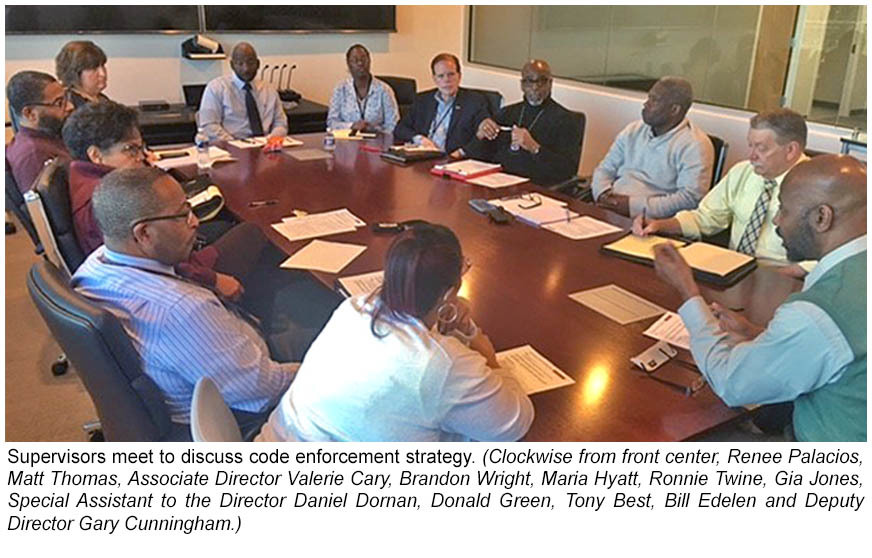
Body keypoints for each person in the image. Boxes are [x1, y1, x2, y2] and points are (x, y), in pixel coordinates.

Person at [652, 155, 866, 442]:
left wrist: (687, 290)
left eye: (784, 209)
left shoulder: (818, 312)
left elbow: (731, 382)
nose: (776, 220)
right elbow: (836, 352)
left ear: (821, 217)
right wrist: (760, 335)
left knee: (669, 430)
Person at [257, 222, 534, 442]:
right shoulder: (443, 365)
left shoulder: (354, 308)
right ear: (448, 292)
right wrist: (490, 359)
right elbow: (513, 424)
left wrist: (446, 313)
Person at [72, 167, 298, 430]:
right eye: (182, 215)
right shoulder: (181, 310)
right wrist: (319, 371)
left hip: (208, 372)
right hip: (235, 414)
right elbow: (263, 390)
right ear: (144, 233)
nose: (195, 222)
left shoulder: (95, 264)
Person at [62, 100, 251, 298]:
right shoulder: (109, 200)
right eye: (130, 149)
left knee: (223, 225)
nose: (140, 157)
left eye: (141, 148)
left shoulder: (82, 178)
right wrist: (214, 279)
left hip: (160, 267)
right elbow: (154, 262)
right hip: (167, 281)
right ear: (96, 155)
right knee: (251, 232)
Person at [634, 108, 811, 272]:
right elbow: (706, 218)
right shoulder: (743, 172)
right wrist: (659, 225)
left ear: (790, 150)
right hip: (734, 269)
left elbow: (826, 257)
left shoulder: (818, 185)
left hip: (783, 276)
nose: (752, 156)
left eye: (761, 148)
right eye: (751, 146)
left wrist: (789, 274)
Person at [592, 76, 714, 218]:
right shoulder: (633, 130)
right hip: (609, 208)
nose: (645, 104)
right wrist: (602, 194)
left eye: (654, 100)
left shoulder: (695, 145)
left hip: (651, 222)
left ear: (674, 110)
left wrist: (632, 206)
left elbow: (689, 199)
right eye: (648, 98)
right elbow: (605, 169)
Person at [468, 59, 582, 186]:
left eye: (542, 80)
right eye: (529, 81)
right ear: (522, 85)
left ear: (550, 83)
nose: (535, 86)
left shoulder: (566, 120)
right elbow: (478, 156)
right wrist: (480, 135)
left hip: (537, 186)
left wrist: (534, 148)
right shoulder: (507, 113)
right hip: (497, 182)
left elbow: (567, 171)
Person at [393, 53, 490, 156]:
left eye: (451, 74)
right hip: (423, 157)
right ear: (434, 79)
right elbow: (400, 128)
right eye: (441, 76)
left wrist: (460, 153)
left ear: (459, 76)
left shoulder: (474, 101)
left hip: (454, 159)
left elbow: (482, 137)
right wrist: (420, 139)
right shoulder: (422, 100)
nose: (446, 80)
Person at [198, 42, 288, 141]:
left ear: (258, 64)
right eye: (240, 64)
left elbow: (281, 123)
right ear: (232, 65)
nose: (246, 69)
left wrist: (271, 140)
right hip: (229, 145)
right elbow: (209, 125)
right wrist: (234, 144)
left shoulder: (269, 90)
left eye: (251, 63)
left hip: (266, 144)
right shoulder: (216, 88)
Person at [5, 71, 74, 192]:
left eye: (66, 98)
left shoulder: (49, 135)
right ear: (30, 113)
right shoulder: (34, 155)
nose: (70, 106)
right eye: (59, 103)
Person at [326, 44, 399, 134]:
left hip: (377, 140)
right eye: (355, 60)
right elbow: (331, 123)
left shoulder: (384, 90)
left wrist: (375, 130)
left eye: (363, 59)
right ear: (348, 65)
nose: (360, 63)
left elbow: (393, 125)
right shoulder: (340, 89)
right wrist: (352, 126)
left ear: (370, 61)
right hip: (347, 140)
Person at [55, 40, 109, 108]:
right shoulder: (68, 105)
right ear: (74, 72)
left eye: (103, 66)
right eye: (94, 69)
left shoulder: (103, 99)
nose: (102, 74)